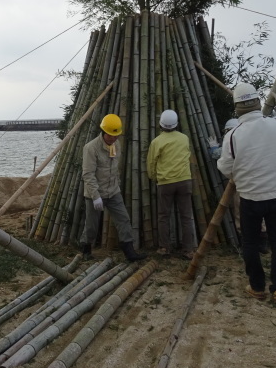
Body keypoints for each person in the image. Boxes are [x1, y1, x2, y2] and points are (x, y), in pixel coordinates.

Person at [217, 84, 276, 305]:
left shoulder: (233, 136)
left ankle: (257, 287)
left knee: (251, 243)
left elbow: (226, 168)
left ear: (237, 108)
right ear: (257, 102)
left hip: (250, 198)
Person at [81, 113, 147, 262]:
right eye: (110, 135)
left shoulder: (116, 144)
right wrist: (96, 196)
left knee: (123, 219)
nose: (113, 138)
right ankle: (86, 248)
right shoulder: (91, 148)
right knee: (91, 225)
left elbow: (115, 167)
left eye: (116, 135)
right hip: (95, 193)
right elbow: (88, 174)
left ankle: (129, 252)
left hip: (113, 192)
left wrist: (116, 184)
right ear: (104, 132)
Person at [147, 109, 197, 258]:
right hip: (184, 181)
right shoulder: (184, 138)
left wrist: (154, 178)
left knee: (163, 216)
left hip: (166, 183)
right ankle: (188, 250)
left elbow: (151, 163)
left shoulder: (157, 142)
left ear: (161, 125)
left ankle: (164, 248)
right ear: (176, 124)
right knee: (186, 216)